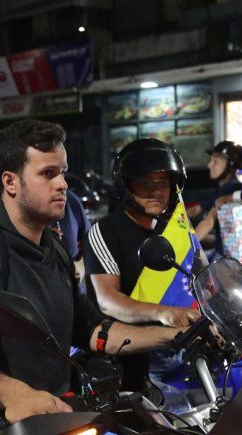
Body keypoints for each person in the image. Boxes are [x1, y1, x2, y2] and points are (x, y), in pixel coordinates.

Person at [0, 120, 189, 435]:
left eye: (63, 172)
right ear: (10, 181)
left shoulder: (54, 248)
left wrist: (174, 336)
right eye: (48, 174)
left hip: (54, 422)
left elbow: (95, 332)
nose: (62, 184)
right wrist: (14, 395)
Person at [83, 139, 200, 402]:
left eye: (163, 182)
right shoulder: (106, 231)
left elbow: (200, 279)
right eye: (146, 182)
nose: (157, 190)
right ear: (126, 185)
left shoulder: (173, 230)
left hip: (183, 351)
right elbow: (107, 300)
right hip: (132, 362)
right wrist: (164, 313)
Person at [192, 142, 242, 255]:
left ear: (230, 166)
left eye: (215, 162)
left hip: (227, 256)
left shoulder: (232, 188)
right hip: (219, 248)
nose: (209, 165)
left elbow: (209, 221)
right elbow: (196, 209)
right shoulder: (221, 188)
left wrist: (185, 247)